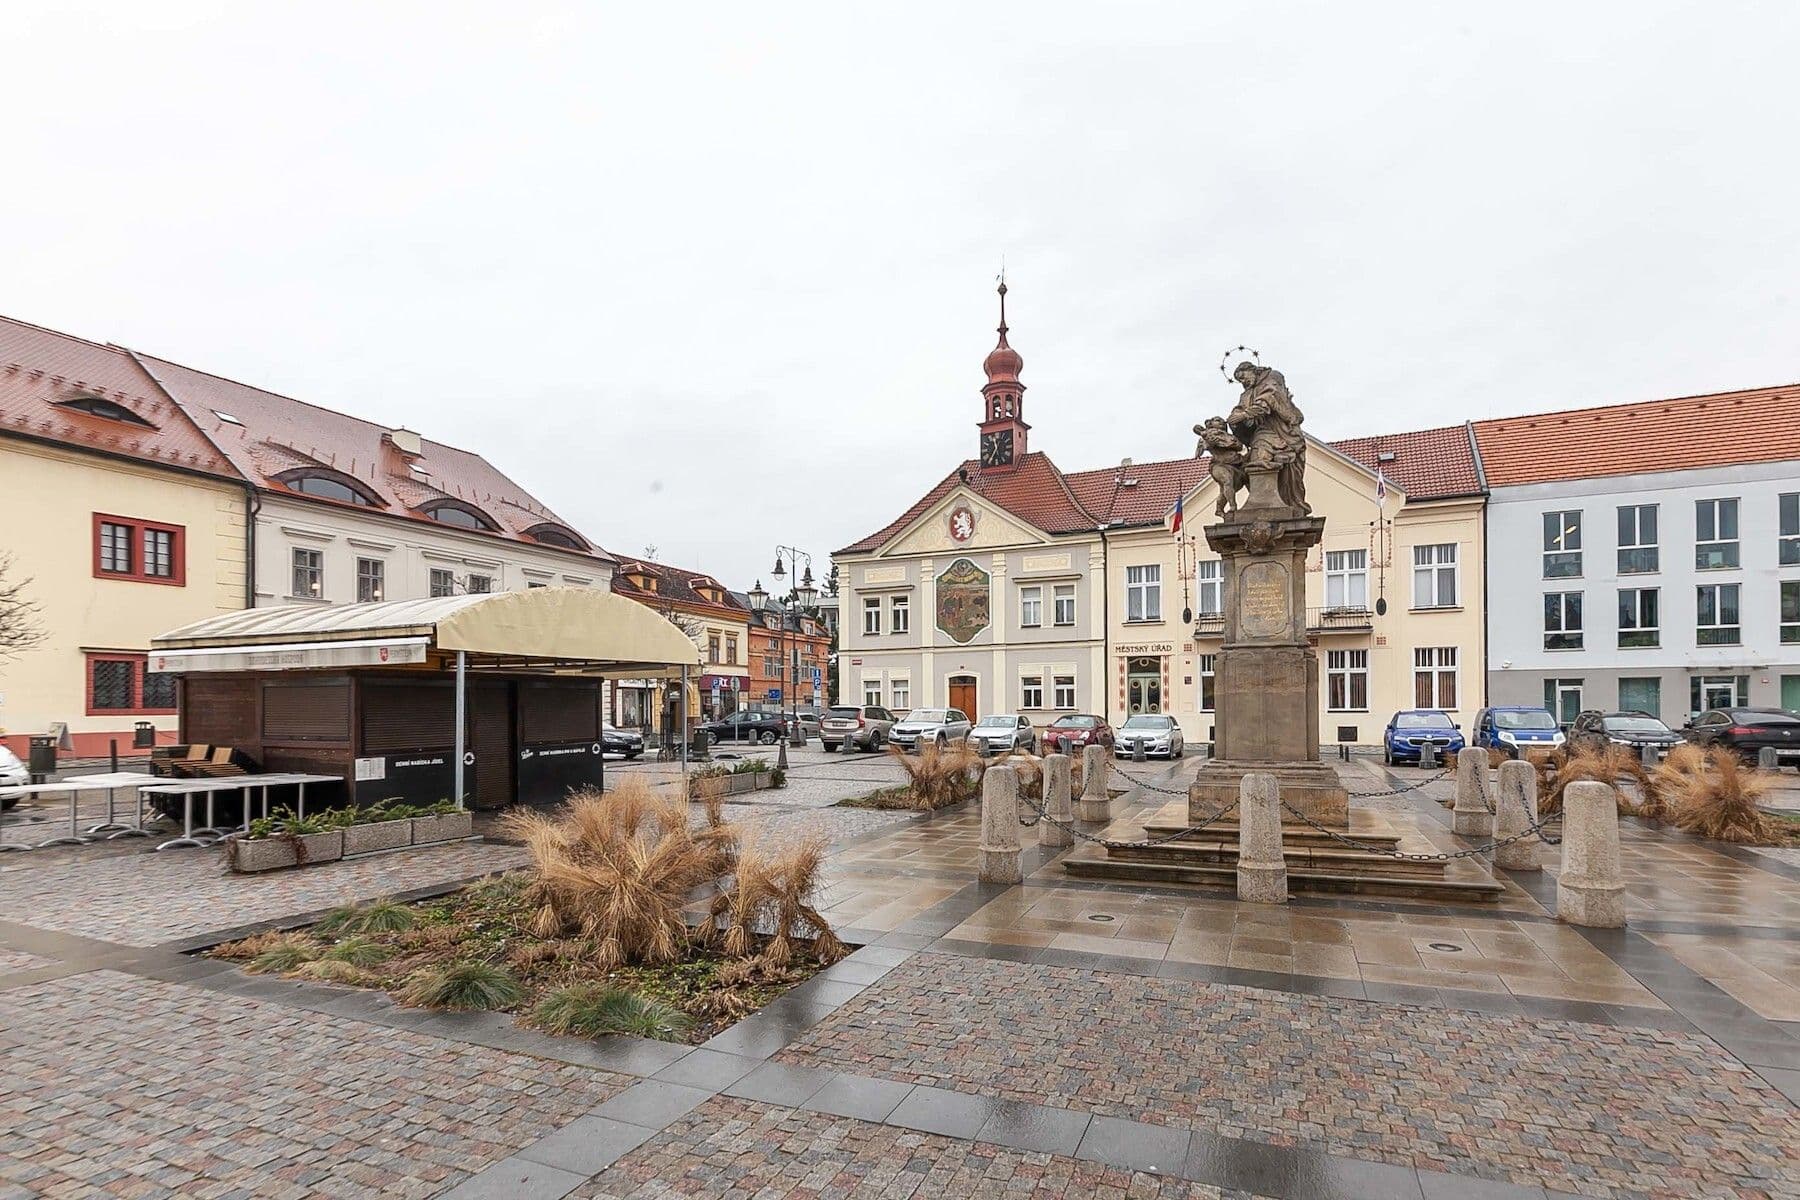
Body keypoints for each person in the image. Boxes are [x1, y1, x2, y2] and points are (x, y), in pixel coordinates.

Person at [1227, 360, 1310, 513]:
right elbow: (1240, 408)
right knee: (1257, 461)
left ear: (1252, 370)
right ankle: (1261, 504)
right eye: (1240, 380)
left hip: (1284, 431)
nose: (1243, 382)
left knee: (1290, 475)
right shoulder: (1247, 393)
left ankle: (1290, 505)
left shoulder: (1272, 377)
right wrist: (1235, 417)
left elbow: (1269, 397)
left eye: (1244, 377)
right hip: (1262, 433)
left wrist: (1245, 414)